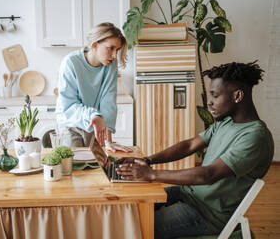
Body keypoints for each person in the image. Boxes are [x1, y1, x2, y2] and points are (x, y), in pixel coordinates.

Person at [115, 61, 274, 238]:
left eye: (215, 96)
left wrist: (150, 174)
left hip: (205, 214)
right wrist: (147, 161)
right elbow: (190, 145)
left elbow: (208, 174)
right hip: (187, 194)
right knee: (127, 208)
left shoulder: (255, 137)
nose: (209, 102)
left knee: (133, 226)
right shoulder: (226, 122)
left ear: (237, 96)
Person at [56, 22, 132, 152]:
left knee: (95, 168)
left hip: (95, 123)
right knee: (74, 168)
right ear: (95, 45)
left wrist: (108, 140)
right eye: (111, 48)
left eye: (117, 50)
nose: (114, 56)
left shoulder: (110, 65)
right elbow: (68, 105)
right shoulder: (71, 62)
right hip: (70, 125)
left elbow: (108, 101)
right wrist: (94, 115)